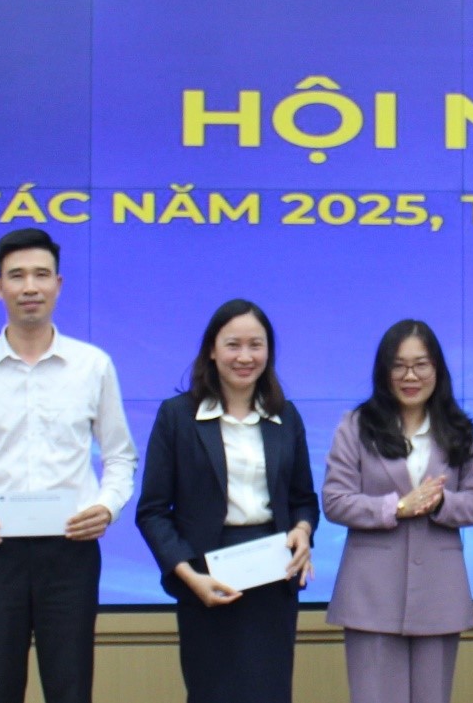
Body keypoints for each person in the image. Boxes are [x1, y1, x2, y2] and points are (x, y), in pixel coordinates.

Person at [0, 227, 138, 703]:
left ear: (58, 285)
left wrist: (106, 507)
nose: (30, 287)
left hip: (70, 550)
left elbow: (120, 455)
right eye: (17, 275)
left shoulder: (93, 365)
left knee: (70, 688)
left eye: (41, 275)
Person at [135, 298, 318, 703]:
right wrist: (188, 575)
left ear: (269, 352)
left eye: (256, 345)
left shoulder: (286, 417)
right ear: (212, 350)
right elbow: (152, 512)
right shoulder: (177, 417)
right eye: (233, 345)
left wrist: (303, 531)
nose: (245, 357)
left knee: (270, 693)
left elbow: (304, 499)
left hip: (273, 576)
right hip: (207, 578)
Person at [323, 320, 473, 703]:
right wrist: (397, 507)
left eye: (420, 365)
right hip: (371, 596)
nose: (410, 376)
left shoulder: (458, 430)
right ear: (383, 371)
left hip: (439, 594)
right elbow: (334, 500)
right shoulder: (356, 426)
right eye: (398, 366)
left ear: (437, 370)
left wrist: (441, 503)